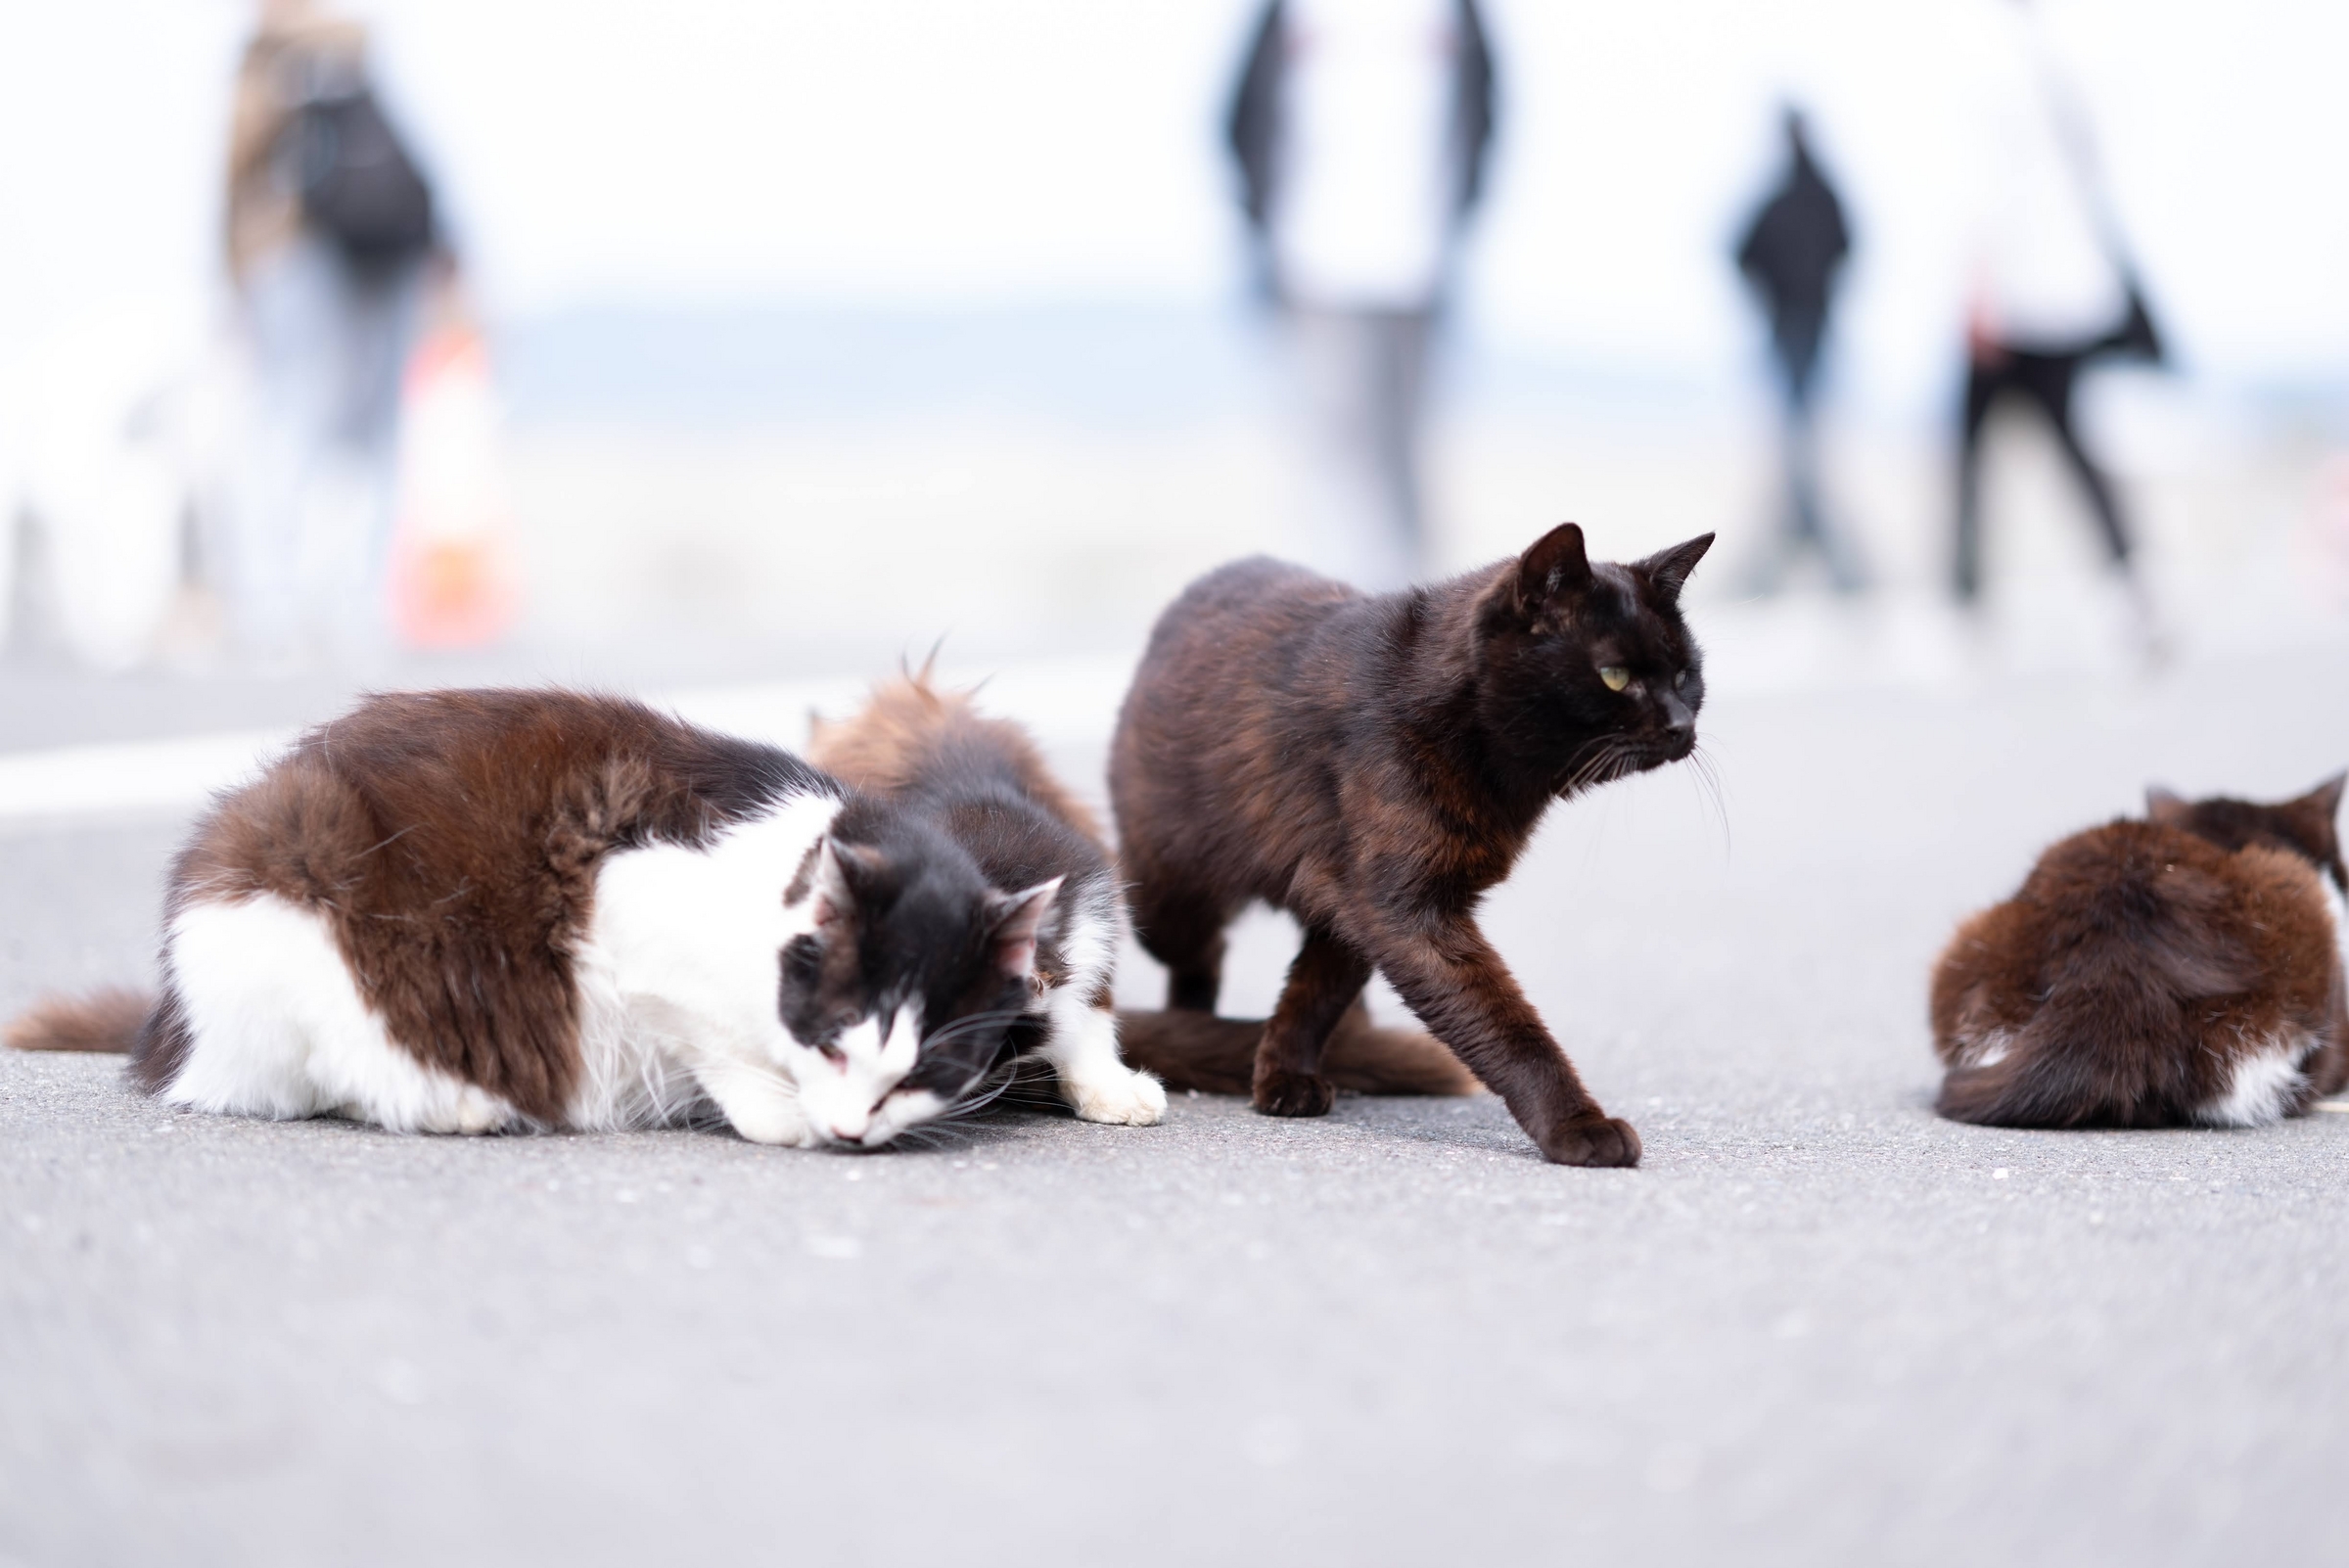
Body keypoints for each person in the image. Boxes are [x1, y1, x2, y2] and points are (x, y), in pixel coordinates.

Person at [1226, 0, 1495, 591]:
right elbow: (1239, 119)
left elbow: (1487, 114)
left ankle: (1414, 606)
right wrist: (1268, 226)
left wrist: (1454, 223)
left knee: (1407, 447)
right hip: (1315, 264)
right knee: (1335, 445)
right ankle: (1343, 606)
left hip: (1418, 268)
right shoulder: (1289, 14)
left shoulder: (1457, 14)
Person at [220, 0, 438, 665]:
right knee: (308, 427)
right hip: (317, 255)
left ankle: (329, 606)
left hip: (361, 254)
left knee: (341, 432)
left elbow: (233, 171)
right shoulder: (288, 56)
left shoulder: (331, 54)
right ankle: (282, 607)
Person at [1955, 0, 2165, 657]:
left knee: (1971, 457)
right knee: (2072, 448)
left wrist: (1981, 288)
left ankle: (1969, 608)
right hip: (2071, 294)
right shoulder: (2072, 54)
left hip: (2018, 296)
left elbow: (1995, 188)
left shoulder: (1996, 56)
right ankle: (2129, 586)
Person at [1734, 109, 1866, 596]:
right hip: (1795, 325)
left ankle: (1810, 532)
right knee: (1797, 440)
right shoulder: (1803, 194)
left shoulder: (1806, 194)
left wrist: (1804, 292)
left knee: (1804, 440)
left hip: (1809, 326)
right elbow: (1741, 253)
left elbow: (1849, 247)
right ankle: (1802, 530)